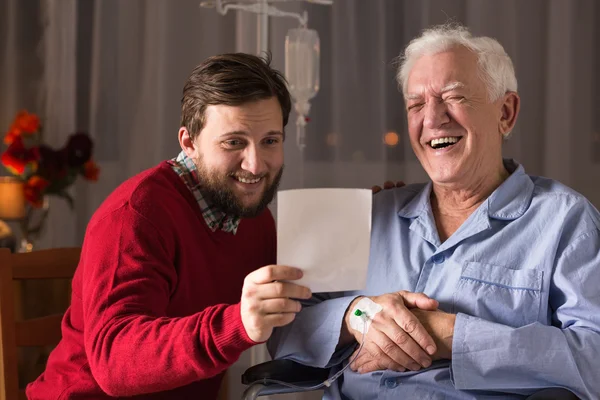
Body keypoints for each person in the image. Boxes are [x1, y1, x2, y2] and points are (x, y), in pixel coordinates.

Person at [268, 23, 600, 399]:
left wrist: (456, 336)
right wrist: (356, 316)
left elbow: (594, 359)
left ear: (505, 112)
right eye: (416, 104)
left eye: (453, 97)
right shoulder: (371, 213)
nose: (432, 119)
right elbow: (283, 330)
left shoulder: (566, 222)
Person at [27, 53, 313, 399]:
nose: (254, 166)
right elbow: (114, 363)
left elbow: (297, 305)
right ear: (189, 143)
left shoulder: (252, 216)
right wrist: (236, 324)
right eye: (234, 142)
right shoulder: (136, 214)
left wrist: (369, 217)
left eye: (270, 141)